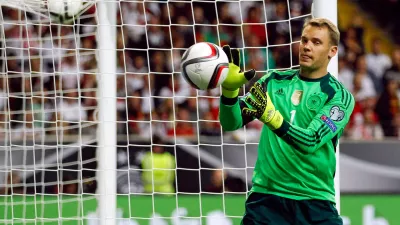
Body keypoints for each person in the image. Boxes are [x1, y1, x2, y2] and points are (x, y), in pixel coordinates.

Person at [219, 18, 355, 225]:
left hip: (314, 201)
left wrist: (272, 118)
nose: (307, 47)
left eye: (316, 42)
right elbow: (231, 123)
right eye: (304, 40)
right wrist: (229, 93)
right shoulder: (272, 82)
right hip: (266, 200)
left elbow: (310, 141)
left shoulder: (339, 97)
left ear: (332, 51)